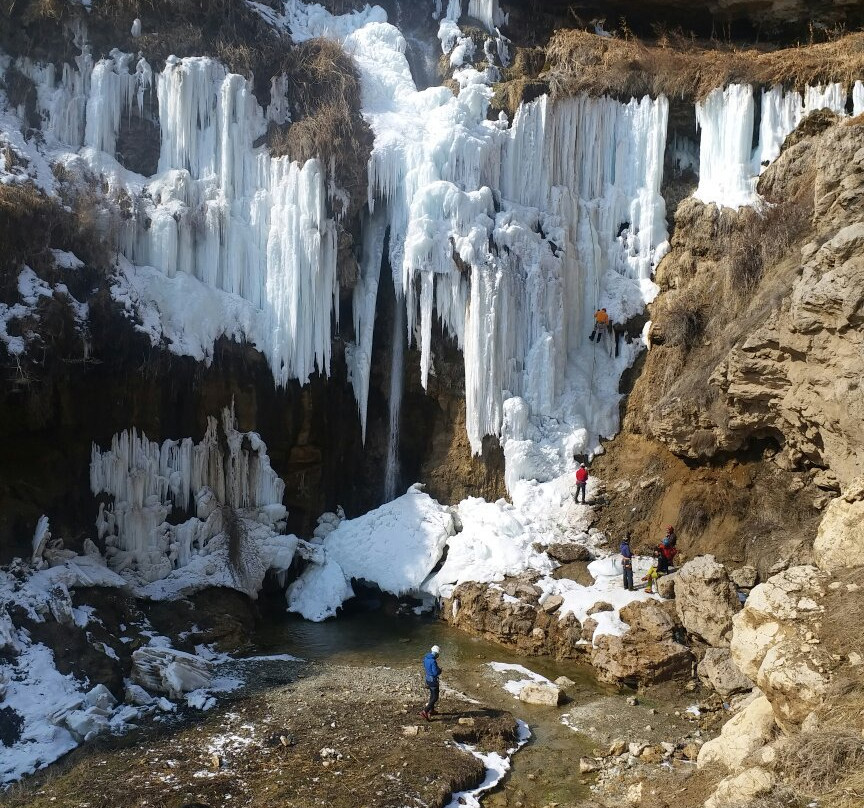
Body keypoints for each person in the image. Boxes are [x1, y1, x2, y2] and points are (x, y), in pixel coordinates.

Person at [420, 645, 441, 721]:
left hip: (428, 679)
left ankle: (431, 710)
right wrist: (440, 670)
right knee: (435, 697)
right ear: (436, 653)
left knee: (432, 695)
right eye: (438, 654)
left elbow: (426, 667)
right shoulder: (433, 661)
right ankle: (425, 711)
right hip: (433, 680)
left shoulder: (426, 658)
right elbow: (435, 672)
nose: (438, 656)